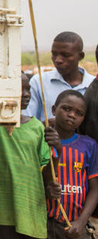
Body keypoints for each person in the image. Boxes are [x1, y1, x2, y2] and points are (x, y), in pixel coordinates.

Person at [0, 72, 56, 239]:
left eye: (28, 89)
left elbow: (46, 173)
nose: (26, 94)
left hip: (30, 210)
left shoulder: (37, 127)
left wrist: (57, 152)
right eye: (19, 89)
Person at [43, 90, 98, 239]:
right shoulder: (42, 141)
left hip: (75, 224)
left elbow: (95, 189)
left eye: (79, 113)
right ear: (54, 109)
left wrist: (82, 221)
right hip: (46, 224)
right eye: (66, 109)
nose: (72, 115)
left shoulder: (89, 145)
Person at [27, 32, 93, 122]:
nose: (58, 60)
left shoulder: (93, 86)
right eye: (54, 54)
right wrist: (45, 127)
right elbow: (27, 121)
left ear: (80, 56)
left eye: (66, 55)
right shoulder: (39, 82)